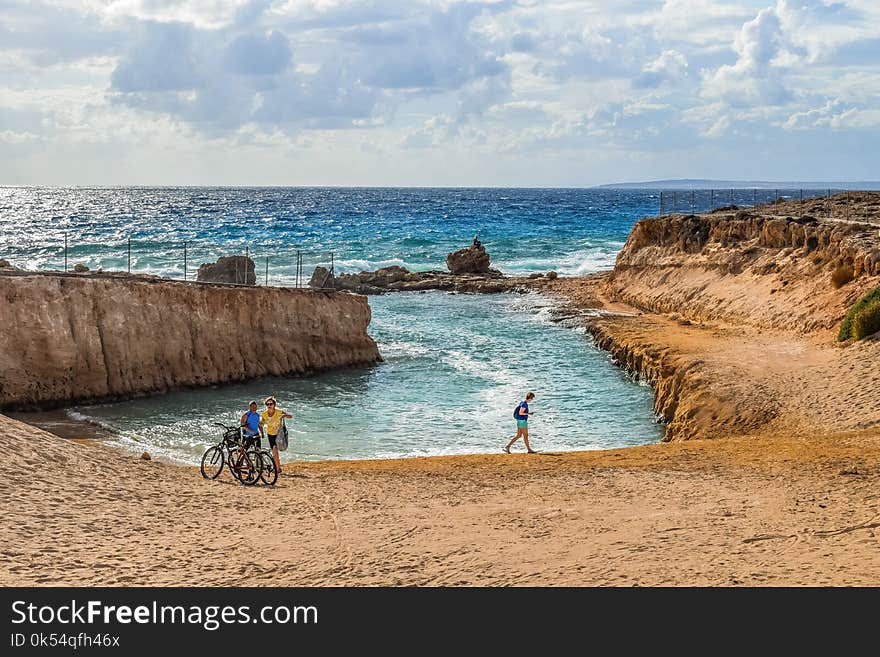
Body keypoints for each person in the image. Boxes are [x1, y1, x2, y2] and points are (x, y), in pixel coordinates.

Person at [260, 396, 292, 475]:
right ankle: (278, 468)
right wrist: (261, 430)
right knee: (274, 452)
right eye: (267, 404)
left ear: (274, 404)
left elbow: (290, 416)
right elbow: (261, 424)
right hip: (270, 435)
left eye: (271, 404)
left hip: (279, 434)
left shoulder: (279, 412)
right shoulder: (264, 414)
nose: (269, 405)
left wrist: (284, 416)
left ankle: (278, 468)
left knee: (278, 450)